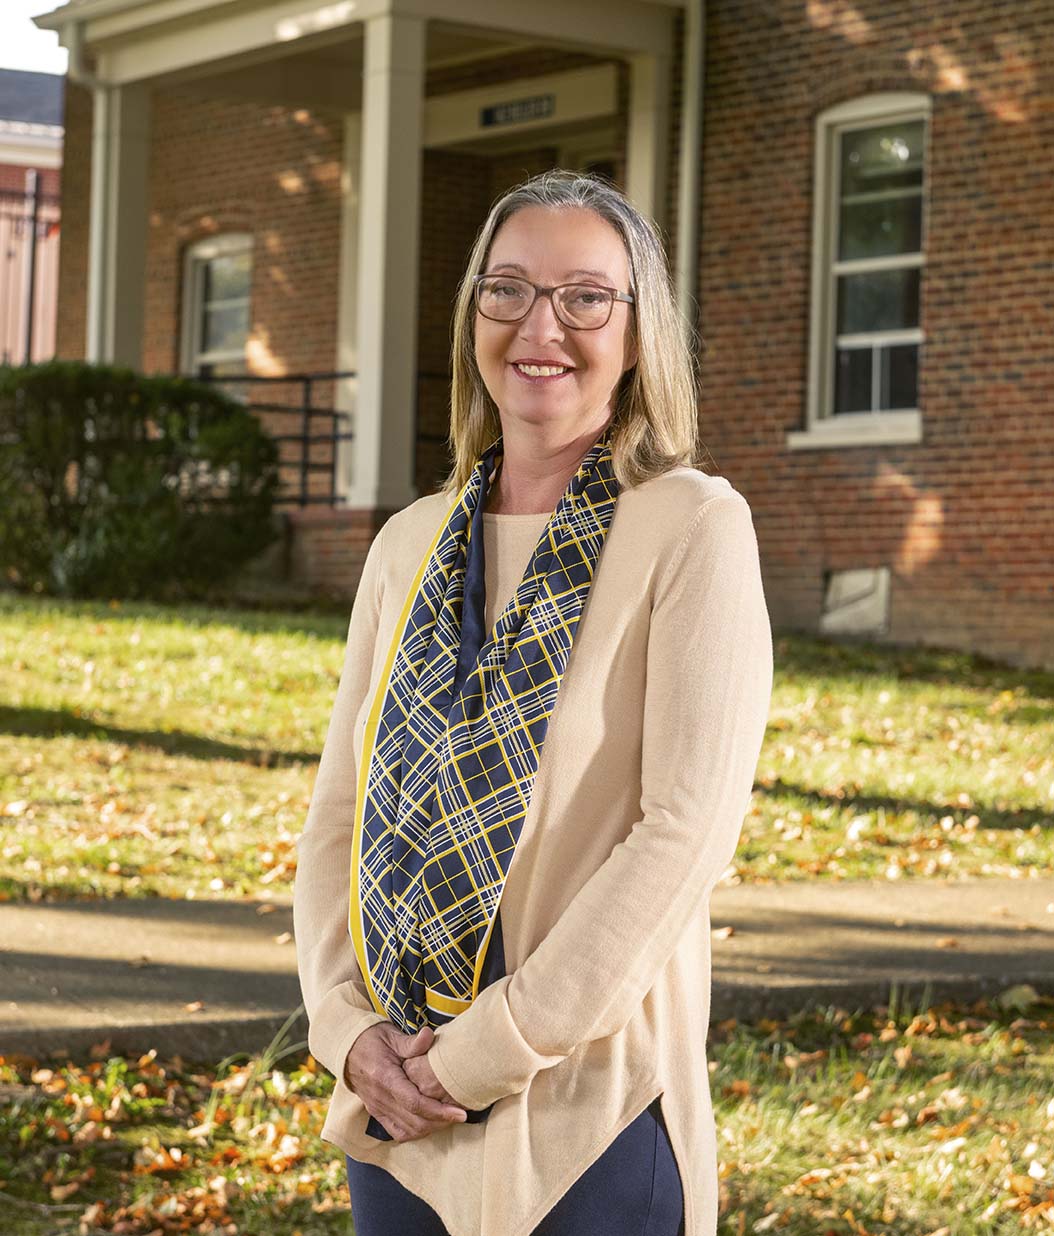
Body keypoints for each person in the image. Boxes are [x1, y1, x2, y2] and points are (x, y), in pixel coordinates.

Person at [292, 168, 774, 1236]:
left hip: (583, 1113)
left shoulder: (690, 526)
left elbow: (683, 833)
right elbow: (340, 812)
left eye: (585, 297)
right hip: (398, 1106)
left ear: (638, 334)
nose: (539, 326)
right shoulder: (408, 542)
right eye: (506, 289)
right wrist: (345, 1030)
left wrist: (483, 1053)